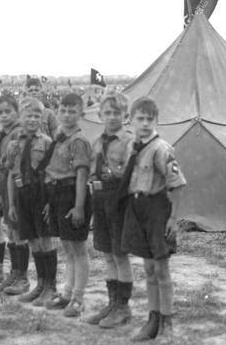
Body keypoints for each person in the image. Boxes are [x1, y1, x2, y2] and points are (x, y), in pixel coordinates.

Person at [120, 97, 186, 341]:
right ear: (131, 120)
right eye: (140, 118)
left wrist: (173, 219)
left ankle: (167, 323)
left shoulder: (161, 149)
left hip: (157, 209)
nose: (145, 123)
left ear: (157, 121)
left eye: (150, 119)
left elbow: (177, 185)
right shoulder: (132, 146)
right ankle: (152, 319)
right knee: (148, 268)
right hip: (137, 208)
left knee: (161, 268)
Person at [85, 91, 135, 328]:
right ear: (99, 114)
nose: (112, 117)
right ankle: (111, 303)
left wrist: (116, 174)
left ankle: (123, 307)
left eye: (117, 113)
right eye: (108, 112)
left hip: (119, 198)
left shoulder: (128, 141)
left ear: (125, 115)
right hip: (100, 198)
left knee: (120, 254)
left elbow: (132, 172)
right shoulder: (98, 141)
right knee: (107, 253)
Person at [41, 93, 93, 318]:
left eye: (73, 111)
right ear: (57, 111)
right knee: (67, 248)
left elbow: (82, 175)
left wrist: (79, 207)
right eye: (63, 110)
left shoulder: (78, 141)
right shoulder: (60, 136)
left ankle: (78, 298)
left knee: (78, 249)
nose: (67, 115)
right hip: (57, 194)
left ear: (81, 114)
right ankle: (68, 293)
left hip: (73, 194)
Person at [7, 97, 53, 299]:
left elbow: (53, 175)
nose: (33, 119)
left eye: (37, 116)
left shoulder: (47, 142)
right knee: (33, 240)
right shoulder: (14, 144)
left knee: (45, 240)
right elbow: (11, 174)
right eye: (29, 115)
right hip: (22, 194)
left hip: (41, 195)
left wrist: (51, 202)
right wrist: (11, 204)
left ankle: (50, 286)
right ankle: (40, 285)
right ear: (20, 117)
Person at [0, 94, 26, 292]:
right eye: (0, 113)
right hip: (5, 185)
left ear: (17, 112)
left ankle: (23, 277)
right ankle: (14, 272)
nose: (4, 116)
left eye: (8, 112)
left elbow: (13, 165)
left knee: (18, 231)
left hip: (17, 186)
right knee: (10, 231)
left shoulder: (18, 133)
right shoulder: (2, 134)